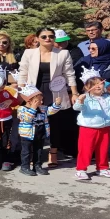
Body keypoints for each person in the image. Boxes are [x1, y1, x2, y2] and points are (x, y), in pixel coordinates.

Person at [19, 26, 78, 168]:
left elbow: (69, 74)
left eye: (51, 36)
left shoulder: (63, 53)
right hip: (34, 91)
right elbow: (23, 72)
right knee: (33, 122)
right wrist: (23, 93)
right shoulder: (29, 53)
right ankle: (33, 154)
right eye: (44, 36)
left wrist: (74, 93)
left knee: (54, 123)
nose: (48, 39)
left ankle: (53, 153)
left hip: (55, 91)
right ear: (38, 38)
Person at [73, 72, 110, 180]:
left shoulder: (108, 98)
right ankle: (81, 170)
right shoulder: (86, 98)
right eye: (94, 84)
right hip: (88, 128)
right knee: (85, 150)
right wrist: (80, 100)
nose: (98, 86)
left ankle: (102, 168)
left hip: (105, 128)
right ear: (87, 87)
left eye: (100, 83)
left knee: (103, 149)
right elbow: (77, 108)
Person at [51, 29, 83, 158]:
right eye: (57, 42)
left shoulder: (75, 52)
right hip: (54, 89)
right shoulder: (50, 52)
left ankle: (72, 148)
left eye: (63, 42)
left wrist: (73, 92)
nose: (60, 44)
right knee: (58, 120)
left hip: (70, 89)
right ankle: (60, 146)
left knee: (70, 120)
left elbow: (71, 73)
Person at [17, 86, 60, 176]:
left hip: (40, 133)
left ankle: (37, 166)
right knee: (26, 152)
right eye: (38, 101)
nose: (41, 102)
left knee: (39, 151)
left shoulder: (42, 108)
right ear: (29, 101)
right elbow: (27, 119)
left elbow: (50, 111)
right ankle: (25, 167)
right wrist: (33, 108)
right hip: (27, 134)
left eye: (42, 100)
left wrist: (56, 104)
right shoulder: (21, 109)